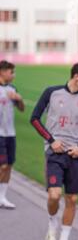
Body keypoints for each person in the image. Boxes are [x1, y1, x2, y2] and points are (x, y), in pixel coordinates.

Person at [30, 62, 78, 240]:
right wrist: (51, 140)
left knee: (73, 198)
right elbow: (34, 118)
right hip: (54, 153)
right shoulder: (52, 92)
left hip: (75, 154)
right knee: (54, 195)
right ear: (77, 77)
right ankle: (53, 221)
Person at [0, 60, 25, 208]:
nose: (13, 75)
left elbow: (21, 109)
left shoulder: (12, 88)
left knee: (9, 165)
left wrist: (19, 99)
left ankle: (2, 197)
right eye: (11, 72)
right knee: (2, 165)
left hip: (10, 133)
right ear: (2, 72)